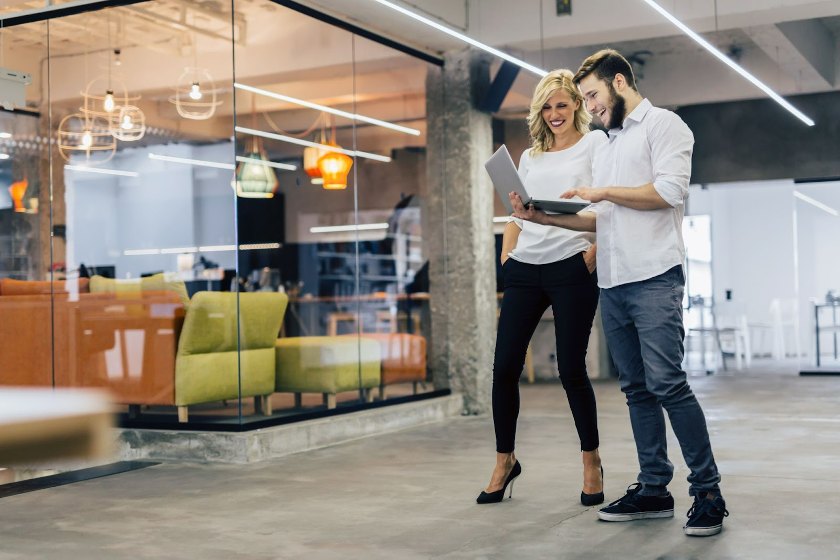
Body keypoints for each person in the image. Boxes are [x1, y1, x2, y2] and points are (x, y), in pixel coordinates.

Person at [510, 49, 728, 537]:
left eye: (591, 96)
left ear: (620, 82)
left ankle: (708, 492)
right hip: (612, 279)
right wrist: (537, 217)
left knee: (668, 384)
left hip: (655, 275)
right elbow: (598, 218)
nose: (588, 108)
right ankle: (654, 488)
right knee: (636, 391)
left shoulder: (665, 126)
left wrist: (604, 192)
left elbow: (668, 192)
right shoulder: (604, 144)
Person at [477, 69, 607, 506]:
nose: (554, 114)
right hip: (524, 268)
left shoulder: (595, 145)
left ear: (577, 106)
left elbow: (606, 202)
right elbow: (519, 212)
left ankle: (591, 462)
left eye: (562, 105)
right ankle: (504, 461)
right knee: (504, 369)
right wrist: (508, 250)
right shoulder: (530, 157)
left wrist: (595, 248)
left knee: (571, 369)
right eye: (547, 107)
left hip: (571, 266)